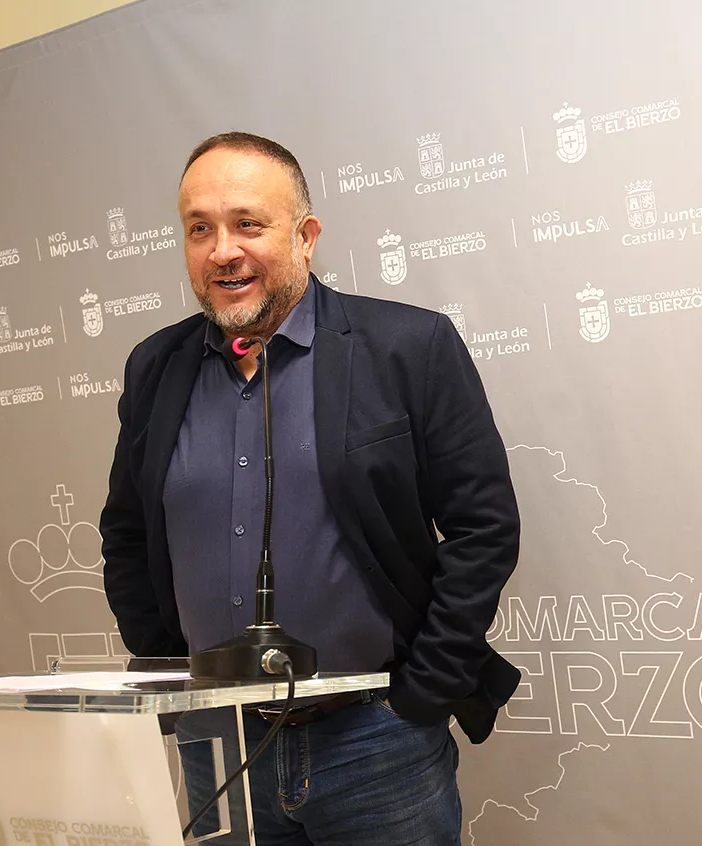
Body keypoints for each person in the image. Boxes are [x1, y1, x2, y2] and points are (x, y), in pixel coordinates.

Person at [99, 131, 521, 844]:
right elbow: (128, 531)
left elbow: (484, 527)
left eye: (248, 224)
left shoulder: (407, 347)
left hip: (374, 743)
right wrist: (172, 669)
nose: (223, 251)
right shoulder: (155, 367)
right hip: (220, 747)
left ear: (305, 236)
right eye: (200, 229)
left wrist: (420, 694)